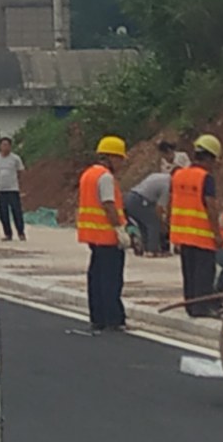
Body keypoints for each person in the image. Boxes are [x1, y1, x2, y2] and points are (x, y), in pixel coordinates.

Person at [78, 135, 128, 332]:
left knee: (96, 277)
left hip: (92, 235)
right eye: (120, 159)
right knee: (111, 279)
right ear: (111, 157)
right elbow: (109, 204)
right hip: (107, 235)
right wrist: (119, 229)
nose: (121, 164)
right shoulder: (105, 177)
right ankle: (113, 318)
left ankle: (97, 317)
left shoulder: (88, 174)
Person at [170, 135, 223, 317]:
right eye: (214, 160)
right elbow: (211, 207)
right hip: (202, 234)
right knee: (204, 274)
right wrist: (217, 234)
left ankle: (191, 306)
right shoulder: (206, 178)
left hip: (182, 234)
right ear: (208, 158)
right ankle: (202, 307)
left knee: (189, 272)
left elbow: (172, 202)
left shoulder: (178, 175)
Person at [123, 167, 172, 257]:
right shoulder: (167, 186)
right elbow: (159, 209)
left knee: (144, 224)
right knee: (153, 223)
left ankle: (145, 248)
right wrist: (163, 224)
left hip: (130, 197)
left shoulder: (160, 176)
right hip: (140, 200)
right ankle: (152, 250)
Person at [0, 138, 26, 242]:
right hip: (0, 189)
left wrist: (16, 183)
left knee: (17, 211)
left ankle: (21, 232)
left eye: (7, 145)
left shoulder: (15, 159)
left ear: (10, 146)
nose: (5, 147)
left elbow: (20, 172)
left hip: (13, 189)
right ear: (0, 146)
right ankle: (7, 234)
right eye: (3, 145)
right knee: (3, 213)